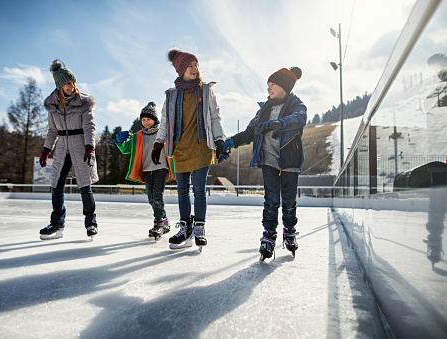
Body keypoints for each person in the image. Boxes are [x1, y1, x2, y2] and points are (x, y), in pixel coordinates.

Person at [220, 66, 307, 259]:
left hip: (290, 160)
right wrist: (231, 142)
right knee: (271, 200)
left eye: (272, 84)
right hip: (269, 160)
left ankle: (290, 231)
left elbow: (300, 118)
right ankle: (269, 236)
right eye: (267, 85)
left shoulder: (296, 104)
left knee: (289, 201)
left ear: (284, 86)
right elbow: (250, 132)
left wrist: (280, 123)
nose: (268, 89)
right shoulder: (263, 111)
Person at [152, 48, 226, 250]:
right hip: (180, 148)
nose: (195, 69)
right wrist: (159, 142)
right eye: (190, 65)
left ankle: (200, 228)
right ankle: (186, 227)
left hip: (202, 146)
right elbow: (166, 121)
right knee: (182, 191)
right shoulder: (171, 95)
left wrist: (219, 139)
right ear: (181, 69)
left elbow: (214, 117)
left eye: (196, 65)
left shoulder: (205, 90)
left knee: (199, 190)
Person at [38, 59, 99, 240]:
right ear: (60, 85)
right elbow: (52, 131)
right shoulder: (53, 106)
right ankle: (57, 224)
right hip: (62, 148)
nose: (72, 86)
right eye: (68, 83)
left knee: (84, 186)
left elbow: (90, 128)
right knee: (56, 185)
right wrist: (45, 150)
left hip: (80, 147)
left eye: (73, 83)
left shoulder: (84, 103)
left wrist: (90, 148)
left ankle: (91, 223)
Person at [115, 102, 175, 239]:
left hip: (161, 168)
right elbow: (126, 149)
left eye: (148, 119)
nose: (146, 122)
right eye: (143, 119)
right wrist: (119, 142)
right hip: (147, 170)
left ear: (155, 120)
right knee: (151, 199)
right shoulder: (138, 136)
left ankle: (160, 223)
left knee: (157, 197)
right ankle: (162, 220)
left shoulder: (163, 132)